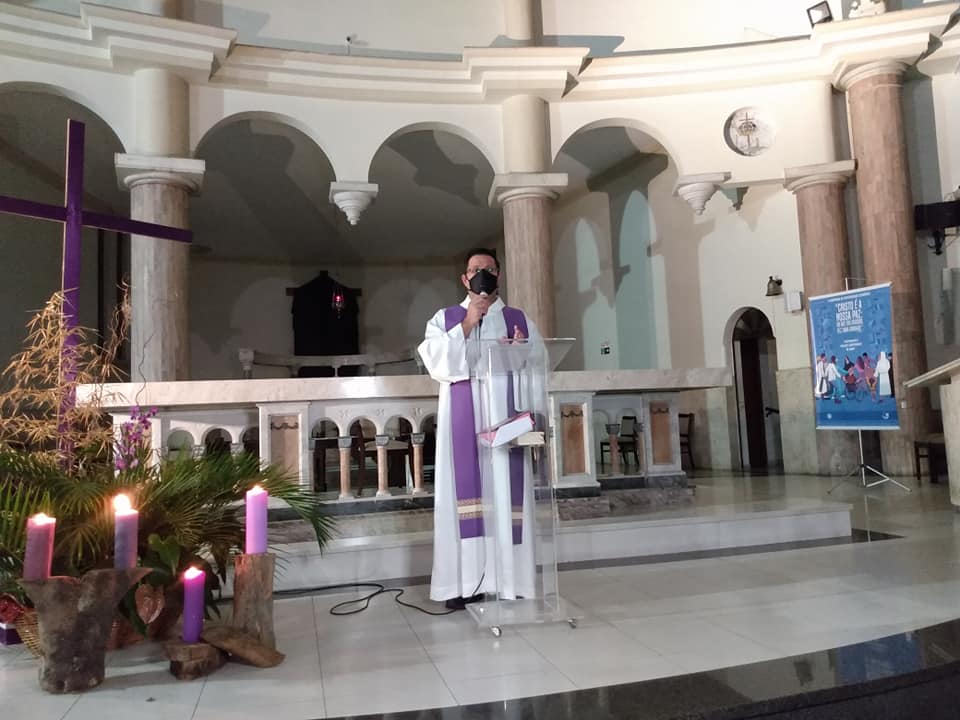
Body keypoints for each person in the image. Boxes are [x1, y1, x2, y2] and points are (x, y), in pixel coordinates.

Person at [417, 248, 542, 610]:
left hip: (505, 425)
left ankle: (509, 581)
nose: (482, 274)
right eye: (475, 270)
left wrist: (517, 353)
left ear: (498, 274)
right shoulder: (445, 319)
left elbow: (539, 363)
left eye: (488, 269)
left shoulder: (519, 319)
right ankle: (464, 584)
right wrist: (469, 322)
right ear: (464, 278)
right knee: (463, 499)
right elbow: (436, 362)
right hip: (464, 422)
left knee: (505, 494)